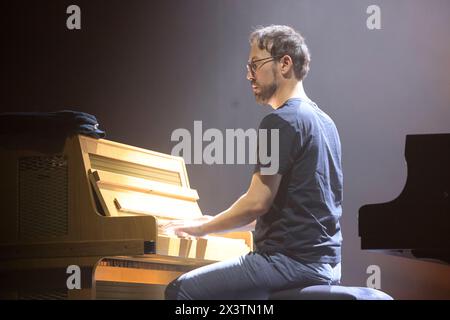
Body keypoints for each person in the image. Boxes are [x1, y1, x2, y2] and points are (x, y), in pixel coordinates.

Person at [164, 25, 343, 300]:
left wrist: (198, 229)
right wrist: (215, 221)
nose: (249, 75)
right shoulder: (326, 123)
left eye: (255, 65)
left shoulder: (280, 121)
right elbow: (290, 208)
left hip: (289, 264)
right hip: (327, 267)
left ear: (284, 63)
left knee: (181, 290)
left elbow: (256, 203)